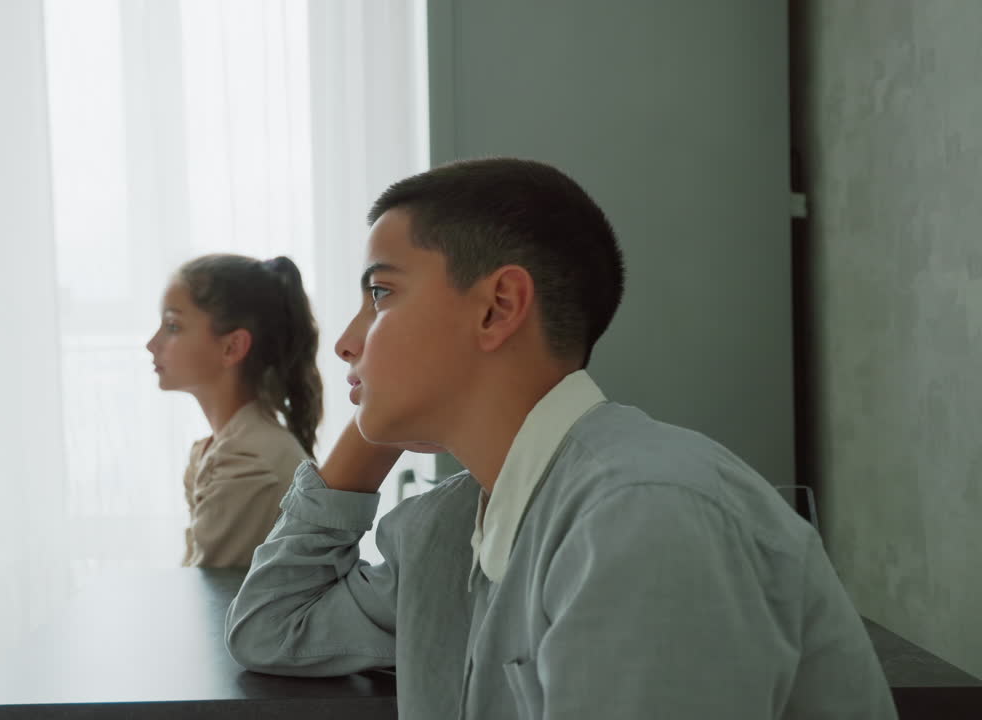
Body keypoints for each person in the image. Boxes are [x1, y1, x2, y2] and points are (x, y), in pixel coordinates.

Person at [224, 158, 896, 719]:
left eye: (381, 293)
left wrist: (386, 399)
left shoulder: (644, 514)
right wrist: (374, 425)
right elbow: (274, 627)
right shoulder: (447, 526)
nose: (346, 341)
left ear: (499, 308)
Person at [146, 253, 322, 568]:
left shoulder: (248, 462)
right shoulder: (222, 451)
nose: (152, 343)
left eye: (172, 326)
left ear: (232, 347)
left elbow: (210, 596)